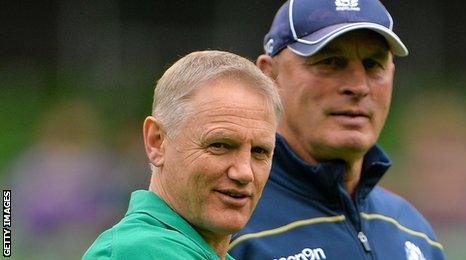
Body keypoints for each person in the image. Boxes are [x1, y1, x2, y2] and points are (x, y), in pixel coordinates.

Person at [228, 1, 446, 259]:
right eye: (331, 61)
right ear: (270, 77)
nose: (358, 86)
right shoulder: (229, 226)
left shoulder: (412, 229)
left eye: (373, 64)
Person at [83, 50, 283, 260]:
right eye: (220, 145)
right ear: (157, 142)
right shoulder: (139, 251)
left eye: (259, 151)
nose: (245, 172)